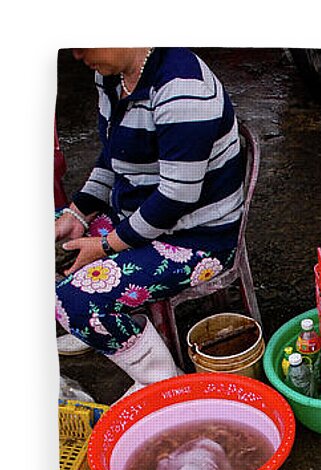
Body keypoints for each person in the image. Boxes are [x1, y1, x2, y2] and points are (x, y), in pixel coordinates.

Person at [55, 48, 245, 394]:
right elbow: (112, 153)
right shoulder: (111, 75)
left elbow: (176, 197)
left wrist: (104, 246)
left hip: (196, 239)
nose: (77, 54)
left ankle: (162, 383)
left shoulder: (182, 87)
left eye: (83, 41)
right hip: (136, 217)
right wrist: (77, 212)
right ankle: (106, 330)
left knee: (76, 303)